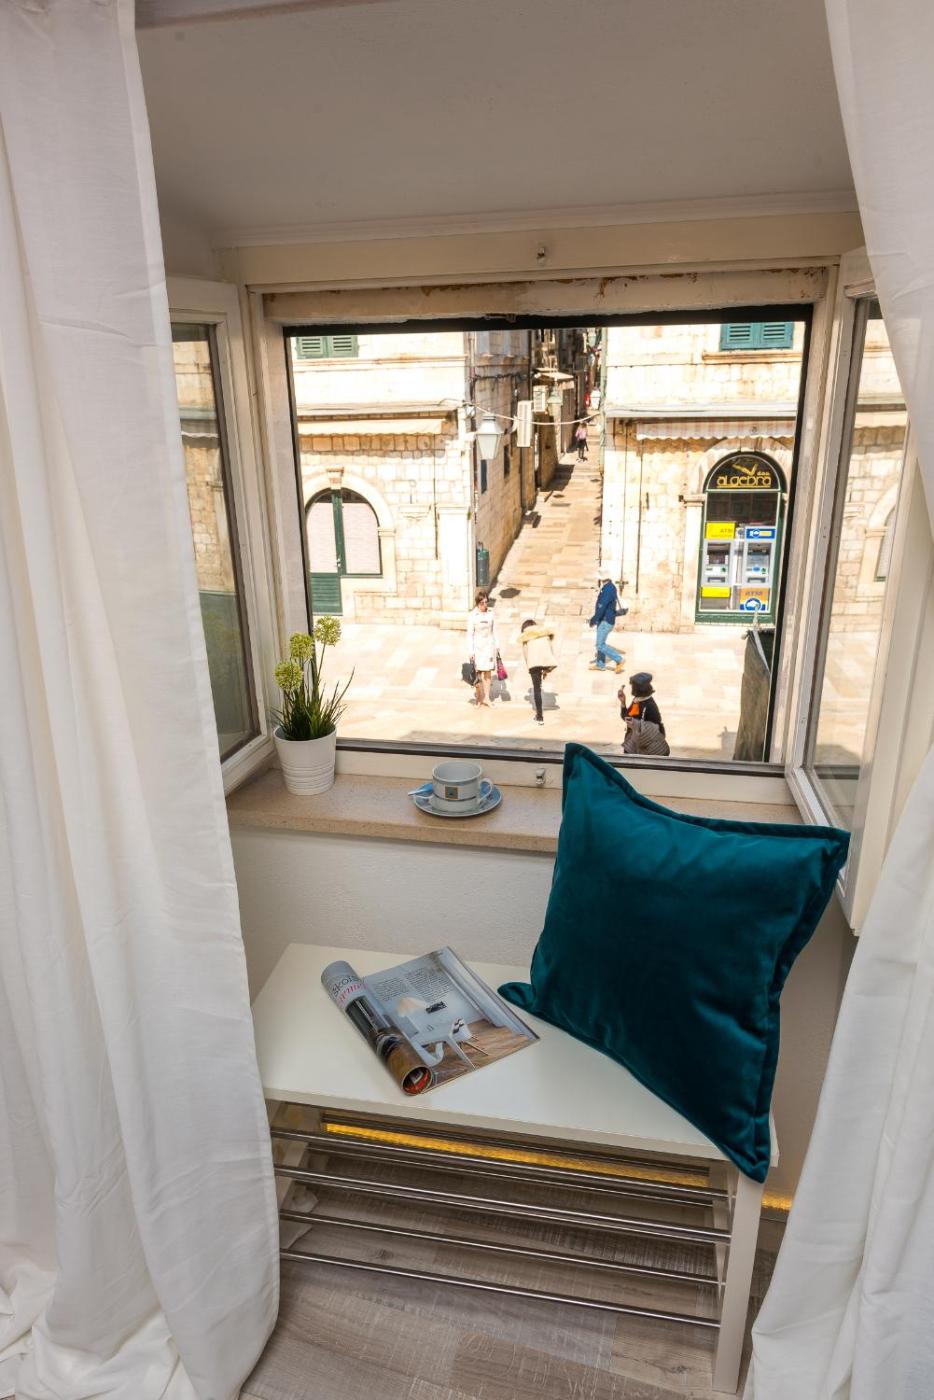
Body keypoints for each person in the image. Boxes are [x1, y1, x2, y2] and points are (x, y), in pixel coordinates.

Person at [618, 672, 669, 755]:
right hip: (634, 743)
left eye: (633, 686)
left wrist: (637, 725)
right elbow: (626, 717)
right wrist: (623, 702)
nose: (631, 688)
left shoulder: (650, 706)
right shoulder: (638, 700)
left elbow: (658, 730)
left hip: (644, 748)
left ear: (638, 688)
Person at [466, 587, 500, 707]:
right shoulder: (472, 615)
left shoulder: (491, 613)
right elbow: (470, 635)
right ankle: (479, 697)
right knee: (477, 674)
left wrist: (497, 646)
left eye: (486, 602)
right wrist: (471, 651)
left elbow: (494, 630)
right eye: (482, 603)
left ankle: (487, 698)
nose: (485, 605)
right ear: (477, 603)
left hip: (489, 647)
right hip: (477, 648)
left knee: (488, 673)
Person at [519, 619, 556, 725]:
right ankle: (539, 716)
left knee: (537, 689)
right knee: (539, 687)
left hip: (533, 663)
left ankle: (539, 716)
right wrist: (546, 670)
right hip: (544, 661)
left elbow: (526, 654)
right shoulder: (543, 634)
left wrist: (529, 667)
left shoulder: (525, 636)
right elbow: (550, 650)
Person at [588, 577, 625, 673]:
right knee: (601, 642)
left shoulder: (607, 590)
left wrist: (593, 620)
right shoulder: (610, 586)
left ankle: (619, 660)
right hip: (605, 619)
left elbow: (602, 607)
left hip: (605, 621)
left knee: (600, 645)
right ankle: (600, 665)